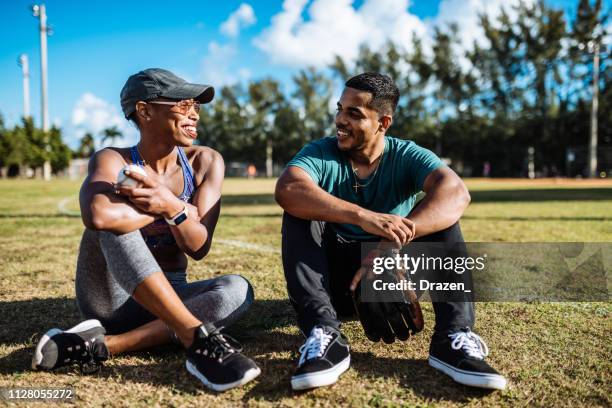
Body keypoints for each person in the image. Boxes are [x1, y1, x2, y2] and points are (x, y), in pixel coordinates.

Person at [31, 68, 260, 392]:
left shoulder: (205, 162)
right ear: (145, 110)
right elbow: (98, 216)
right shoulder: (113, 159)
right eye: (183, 104)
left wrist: (169, 205)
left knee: (238, 290)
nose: (194, 112)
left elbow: (199, 247)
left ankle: (104, 347)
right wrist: (177, 211)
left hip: (176, 294)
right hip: (112, 299)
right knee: (113, 226)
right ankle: (196, 338)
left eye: (196, 105)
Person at [275, 72, 507, 391]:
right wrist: (363, 217)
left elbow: (456, 192)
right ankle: (324, 333)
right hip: (335, 285)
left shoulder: (406, 155)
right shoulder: (321, 152)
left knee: (443, 218)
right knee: (299, 212)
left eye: (353, 114)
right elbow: (288, 188)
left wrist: (388, 248)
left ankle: (453, 337)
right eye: (339, 109)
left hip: (391, 278)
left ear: (383, 123)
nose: (339, 120)